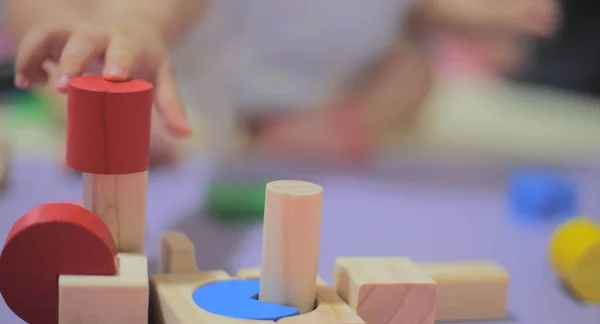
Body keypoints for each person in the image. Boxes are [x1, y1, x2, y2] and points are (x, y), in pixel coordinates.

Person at [7, 0, 560, 165]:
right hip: (195, 78)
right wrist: (132, 25)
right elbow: (160, 11)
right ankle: (85, 107)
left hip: (315, 91)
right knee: (62, 19)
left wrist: (472, 15)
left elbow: (416, 14)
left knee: (414, 73)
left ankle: (311, 132)